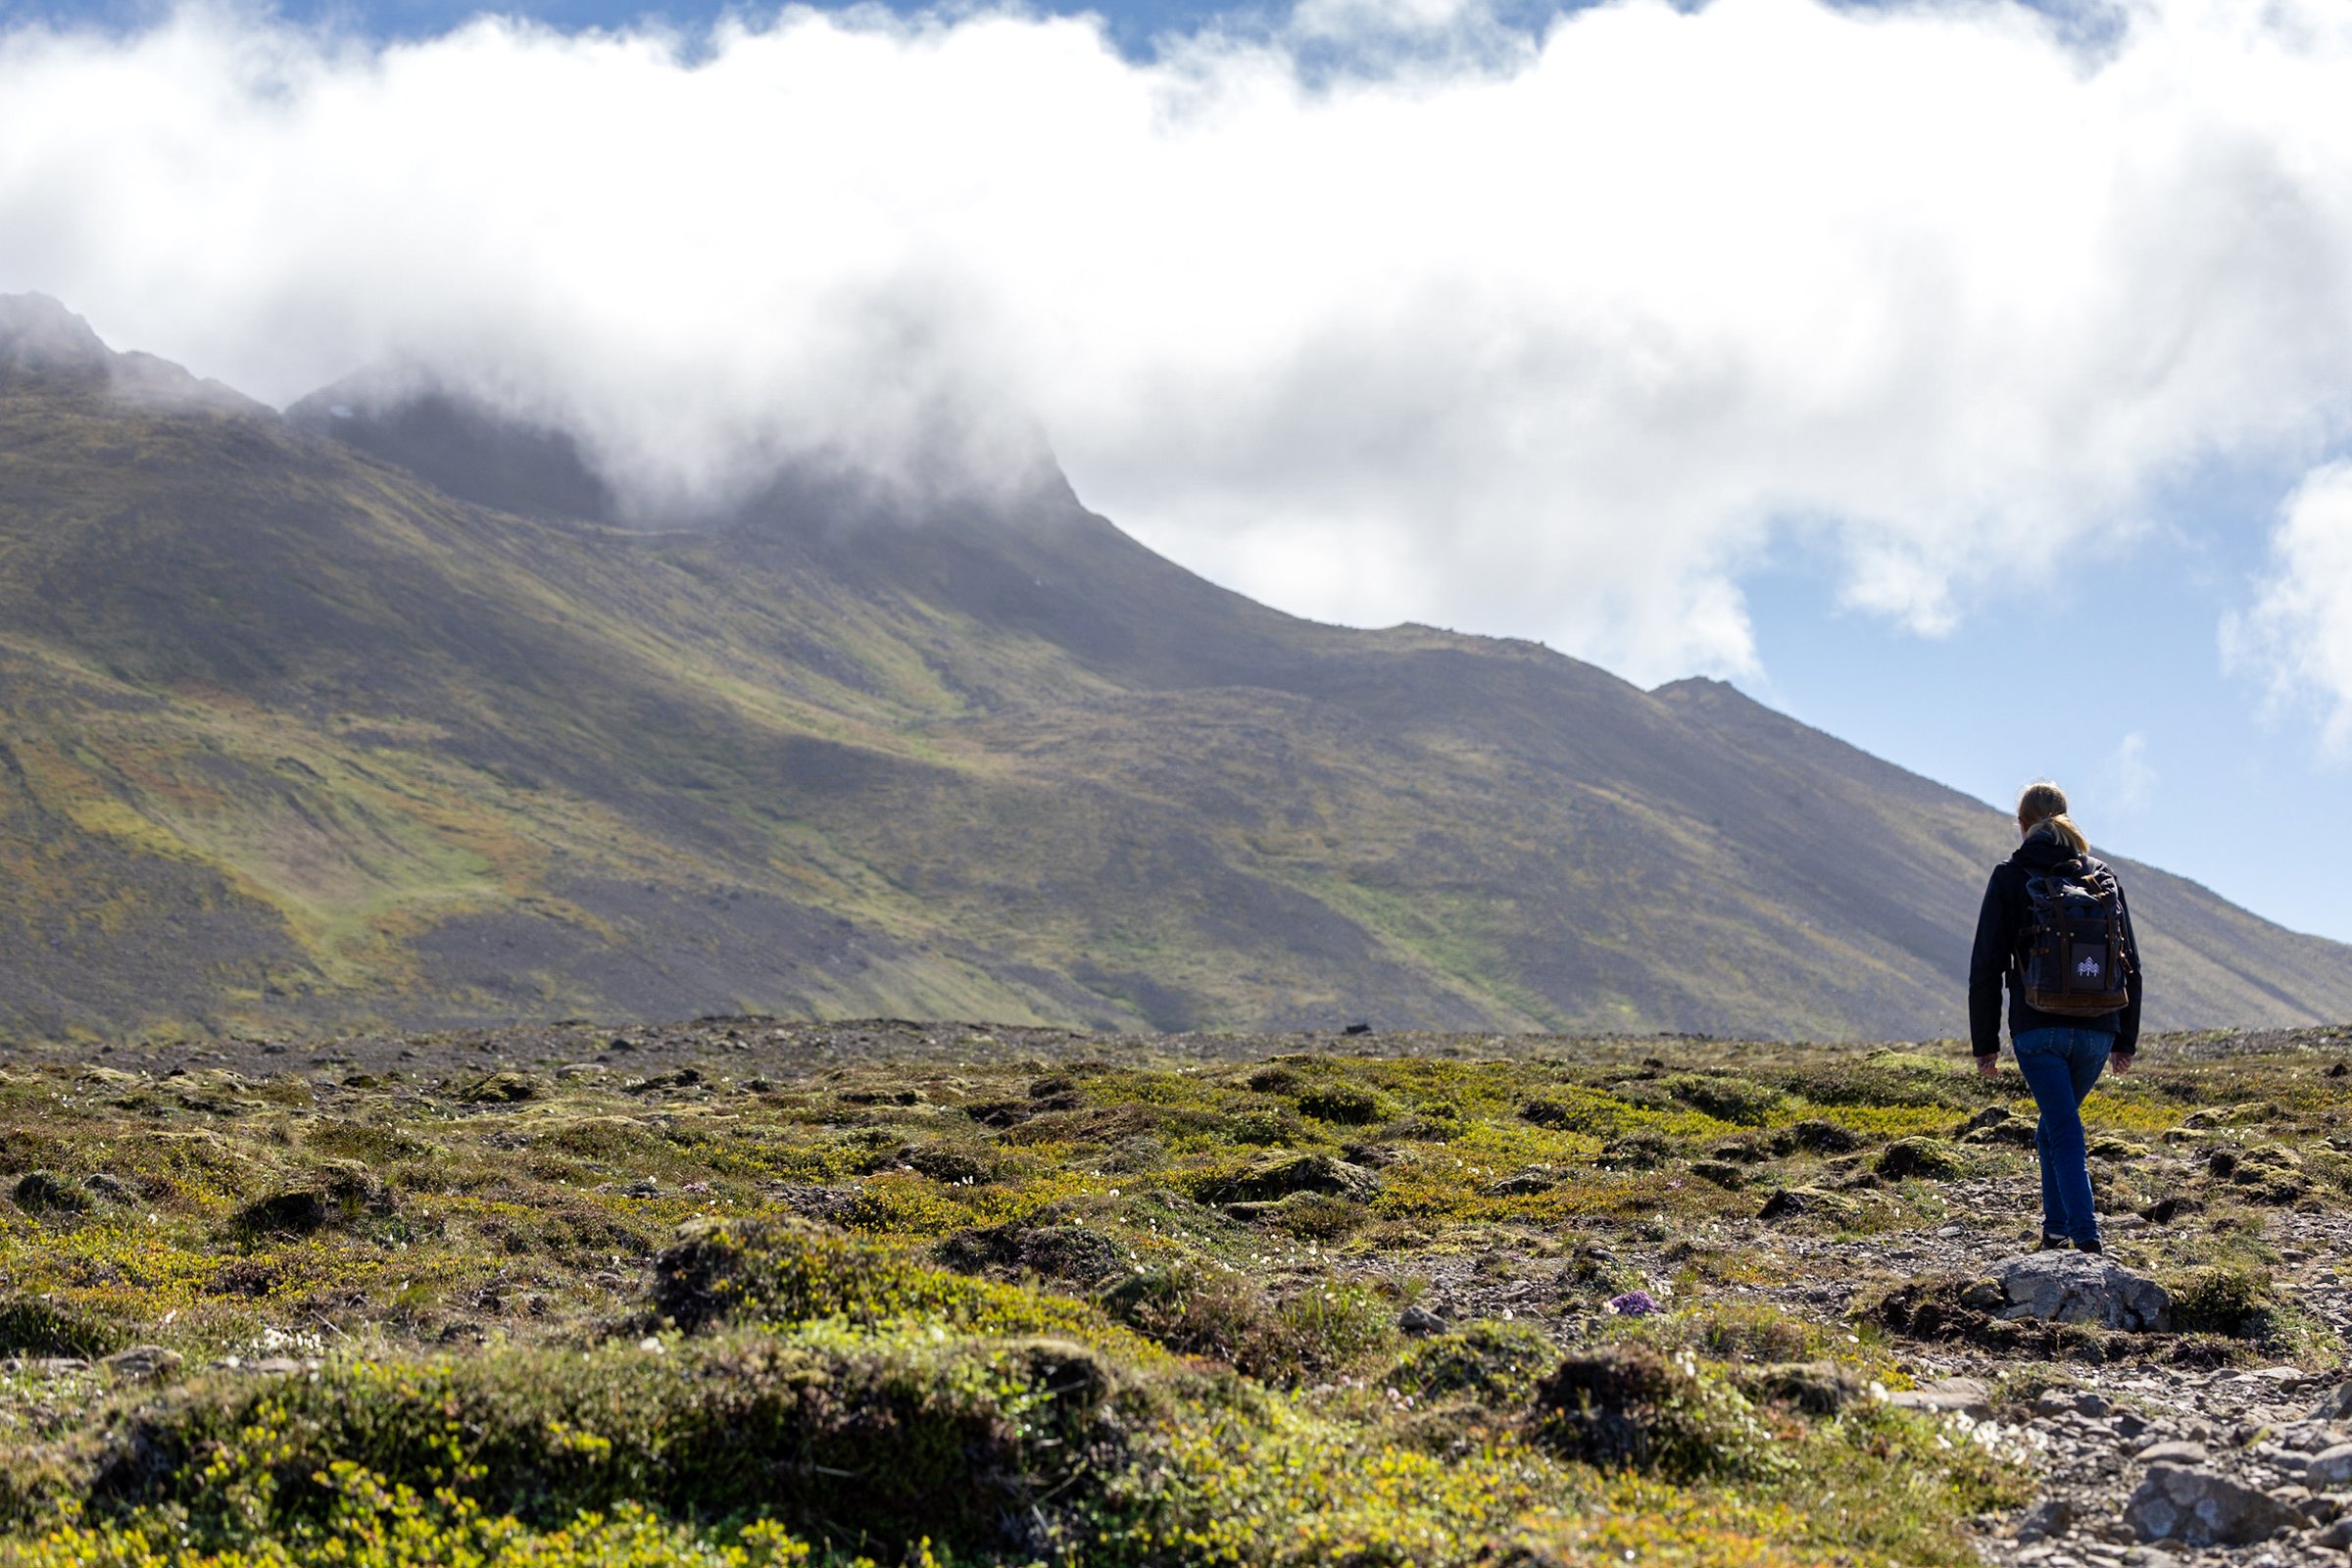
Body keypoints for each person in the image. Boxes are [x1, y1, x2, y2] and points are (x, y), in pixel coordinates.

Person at [1968, 781, 2142, 1253]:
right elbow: (2130, 962)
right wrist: (2125, 1040)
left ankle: (2085, 1235)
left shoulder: (2010, 875)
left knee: (2062, 1126)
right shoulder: (2101, 876)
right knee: (2054, 1124)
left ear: (2022, 825)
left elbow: (1987, 965)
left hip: (2038, 1028)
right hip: (2099, 1029)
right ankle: (2055, 1229)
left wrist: (1985, 1043)